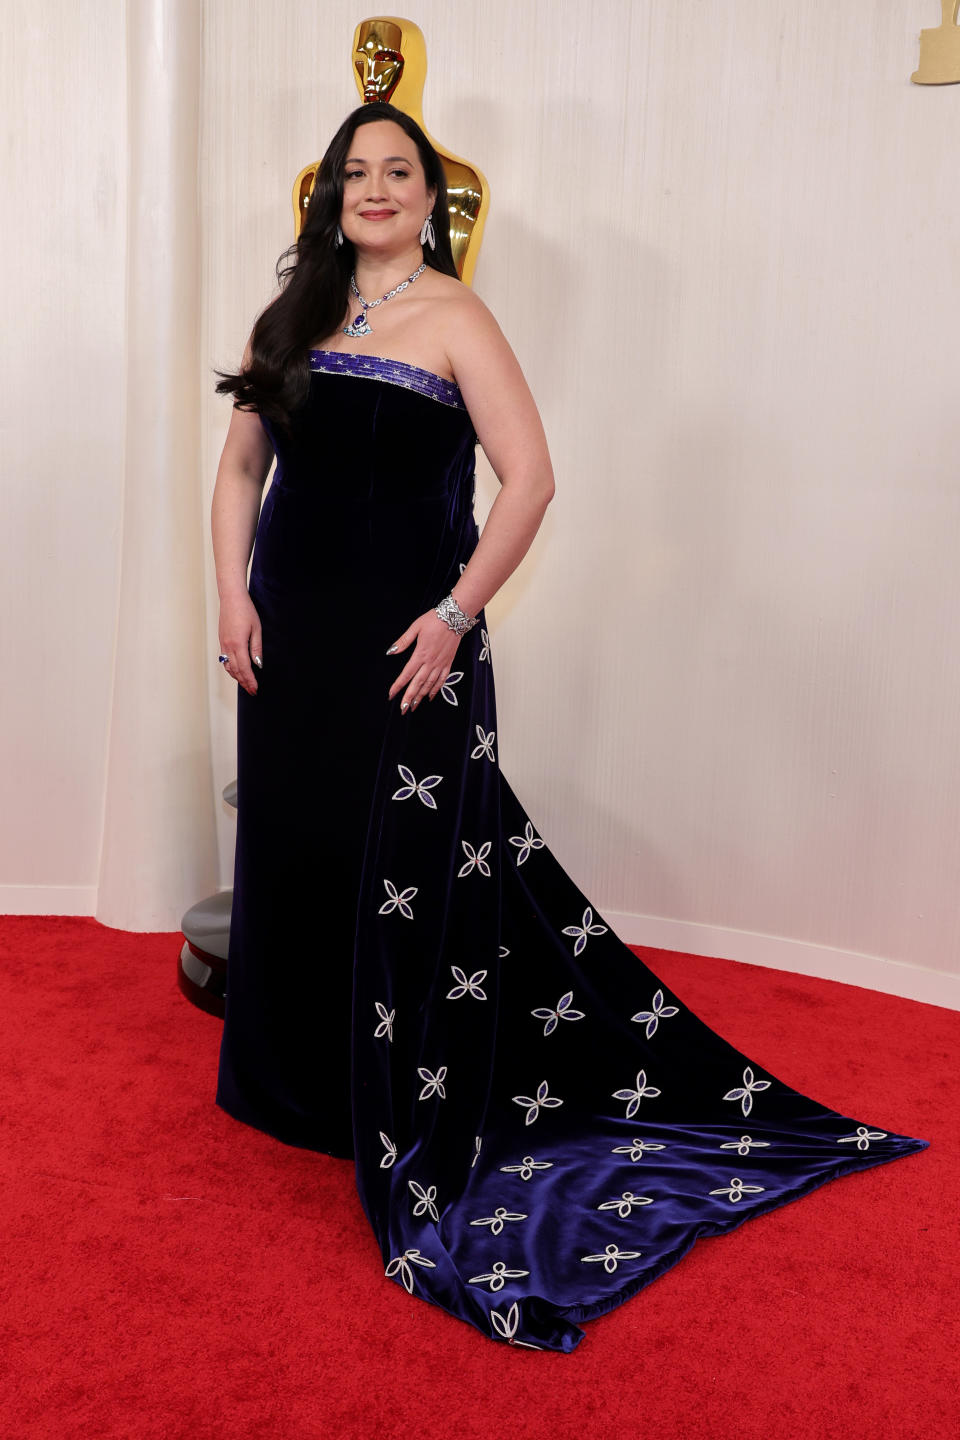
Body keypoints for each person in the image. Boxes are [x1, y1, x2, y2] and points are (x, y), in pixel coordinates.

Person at [209, 101, 928, 1352]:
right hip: (289, 647)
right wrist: (229, 597)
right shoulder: (292, 320)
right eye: (354, 174)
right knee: (297, 849)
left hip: (403, 658)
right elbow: (238, 473)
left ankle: (404, 1094)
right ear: (329, 197)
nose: (375, 190)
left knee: (406, 877)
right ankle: (293, 1087)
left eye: (399, 173)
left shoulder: (459, 318)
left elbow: (530, 477)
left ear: (434, 198)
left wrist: (453, 615)